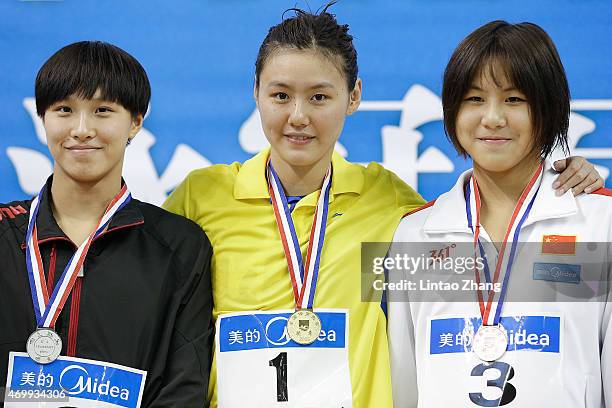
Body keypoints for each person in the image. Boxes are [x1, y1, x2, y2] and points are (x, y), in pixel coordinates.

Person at [164, 5, 603, 407]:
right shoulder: (201, 198)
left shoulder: (392, 205)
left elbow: (483, 257)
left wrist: (568, 182)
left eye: (319, 97)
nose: (298, 115)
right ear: (255, 92)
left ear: (353, 97)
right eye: (281, 96)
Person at [388, 21, 611, 407]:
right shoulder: (417, 234)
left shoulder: (599, 222)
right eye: (474, 99)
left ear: (549, 109)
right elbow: (403, 382)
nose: (492, 118)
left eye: (514, 99)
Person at [0, 41, 213, 407]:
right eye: (64, 109)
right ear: (43, 119)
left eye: (102, 110)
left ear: (135, 122)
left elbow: (184, 388)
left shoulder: (178, 246)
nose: (82, 129)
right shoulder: (5, 234)